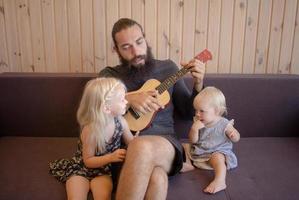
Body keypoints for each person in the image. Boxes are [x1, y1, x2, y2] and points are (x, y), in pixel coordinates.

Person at [99, 18, 206, 200]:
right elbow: (94, 110)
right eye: (126, 47)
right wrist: (127, 98)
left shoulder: (168, 68)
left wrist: (198, 84)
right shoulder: (109, 75)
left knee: (140, 146)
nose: (136, 51)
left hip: (165, 143)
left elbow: (188, 114)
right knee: (157, 178)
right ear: (116, 50)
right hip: (121, 147)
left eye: (139, 42)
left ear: (145, 40)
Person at [49, 77, 134, 200]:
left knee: (103, 197)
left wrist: (137, 143)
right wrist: (111, 157)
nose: (126, 102)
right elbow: (88, 161)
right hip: (81, 169)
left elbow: (131, 142)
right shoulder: (91, 130)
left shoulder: (121, 122)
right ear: (106, 108)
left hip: (103, 171)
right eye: (122, 100)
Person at [182, 86, 240, 194]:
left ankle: (220, 180)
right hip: (200, 151)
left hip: (217, 151)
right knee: (184, 146)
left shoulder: (224, 124)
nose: (197, 114)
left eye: (202, 111)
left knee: (218, 157)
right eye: (196, 110)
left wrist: (234, 135)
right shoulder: (198, 121)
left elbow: (236, 137)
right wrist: (194, 129)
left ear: (217, 111)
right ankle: (188, 164)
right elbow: (193, 141)